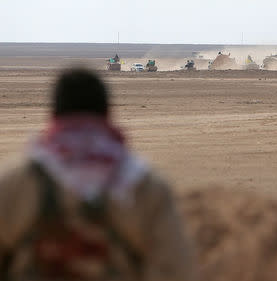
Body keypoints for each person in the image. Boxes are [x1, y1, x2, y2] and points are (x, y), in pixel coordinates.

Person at [0, 68, 196, 281]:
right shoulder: (142, 185)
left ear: (53, 114)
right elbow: (176, 271)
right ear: (107, 113)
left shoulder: (13, 184)